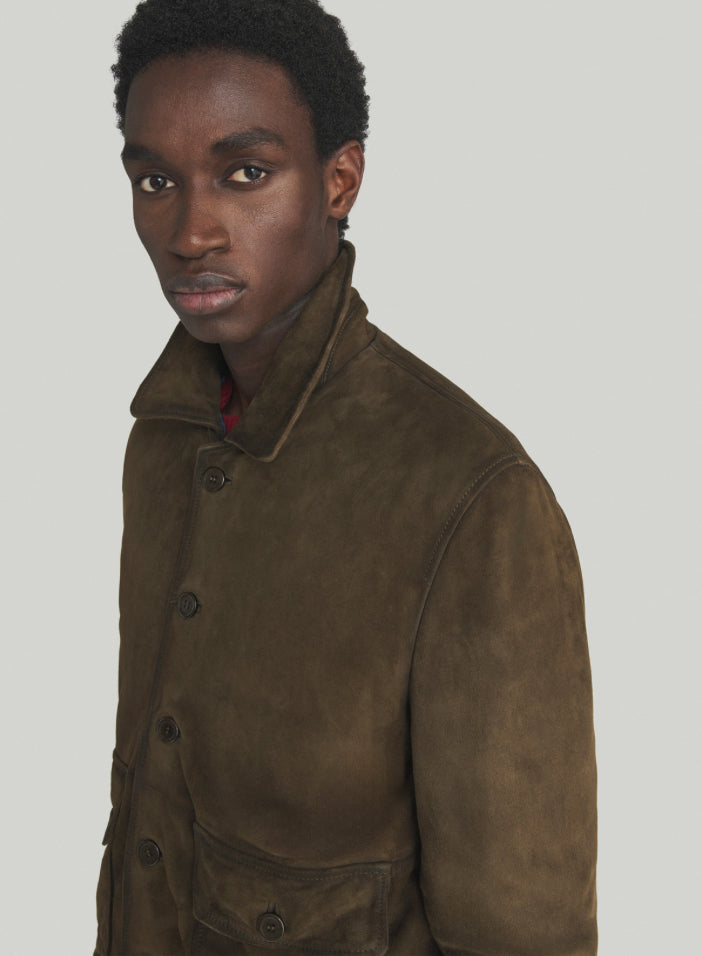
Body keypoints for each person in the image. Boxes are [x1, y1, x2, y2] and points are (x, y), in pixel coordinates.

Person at [95, 1, 597, 953]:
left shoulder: (472, 498)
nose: (190, 231)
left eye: (245, 173)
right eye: (155, 180)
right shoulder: (163, 441)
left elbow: (522, 928)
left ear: (339, 179)